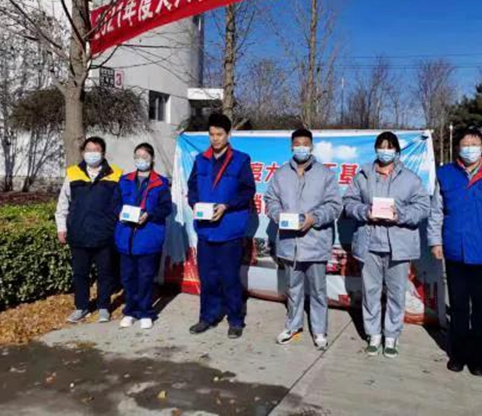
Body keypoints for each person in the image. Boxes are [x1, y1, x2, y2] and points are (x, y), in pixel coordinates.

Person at [428, 127, 482, 377]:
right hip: (455, 251)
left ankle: (478, 359)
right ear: (458, 148)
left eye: (474, 144)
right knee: (458, 308)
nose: (469, 149)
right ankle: (457, 355)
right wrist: (435, 242)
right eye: (465, 144)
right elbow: (436, 212)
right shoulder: (446, 175)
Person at [343, 131, 430, 358]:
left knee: (396, 292)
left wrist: (400, 215)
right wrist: (365, 211)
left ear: (397, 151)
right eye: (381, 146)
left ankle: (391, 335)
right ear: (375, 149)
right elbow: (348, 202)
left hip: (398, 246)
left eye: (389, 147)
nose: (385, 151)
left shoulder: (410, 179)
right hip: (369, 244)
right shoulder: (363, 176)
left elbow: (423, 207)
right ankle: (373, 334)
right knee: (370, 292)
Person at [265, 128, 343, 350]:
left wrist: (314, 218)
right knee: (293, 288)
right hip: (289, 244)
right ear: (291, 147)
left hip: (315, 242)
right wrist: (279, 216)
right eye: (297, 144)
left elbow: (335, 205)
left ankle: (319, 331)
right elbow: (270, 199)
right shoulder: (281, 174)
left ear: (312, 146)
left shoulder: (325, 174)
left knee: (318, 290)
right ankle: (293, 326)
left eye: (305, 144)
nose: (301, 148)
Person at [187, 113, 256, 339]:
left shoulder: (241, 160)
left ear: (228, 134)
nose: (215, 138)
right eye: (211, 134)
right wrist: (195, 204)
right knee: (207, 278)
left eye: (219, 134)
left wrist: (226, 206)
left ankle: (235, 320)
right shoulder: (200, 159)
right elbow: (192, 187)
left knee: (229, 278)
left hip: (229, 230)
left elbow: (247, 191)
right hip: (205, 230)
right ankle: (207, 317)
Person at [55, 136, 122, 324]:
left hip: (104, 235)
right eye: (89, 150)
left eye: (96, 150)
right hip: (79, 234)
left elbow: (120, 204)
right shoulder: (73, 173)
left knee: (105, 273)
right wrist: (61, 227)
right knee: (80, 274)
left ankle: (103, 307)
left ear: (103, 153)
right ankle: (81, 307)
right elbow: (63, 203)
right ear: (83, 152)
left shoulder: (115, 175)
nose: (92, 154)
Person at [115, 143, 172, 330]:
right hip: (126, 237)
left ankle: (146, 312)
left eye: (145, 156)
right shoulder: (124, 180)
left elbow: (166, 208)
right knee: (128, 278)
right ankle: (130, 311)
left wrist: (149, 214)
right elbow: (114, 203)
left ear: (152, 159)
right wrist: (119, 212)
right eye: (137, 156)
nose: (141, 160)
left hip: (148, 237)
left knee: (146, 277)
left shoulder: (160, 183)